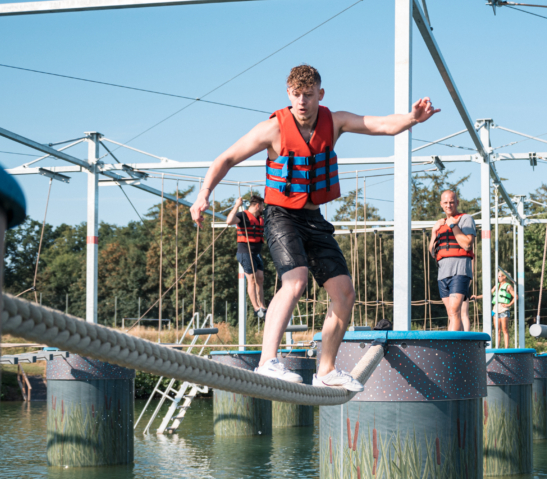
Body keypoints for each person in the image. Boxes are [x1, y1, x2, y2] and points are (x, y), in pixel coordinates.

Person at [190, 64, 439, 390]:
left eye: (309, 95)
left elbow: (380, 125)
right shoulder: (273, 129)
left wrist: (411, 119)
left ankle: (326, 371)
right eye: (296, 95)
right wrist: (203, 195)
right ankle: (268, 361)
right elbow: (224, 159)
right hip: (280, 215)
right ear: (288, 94)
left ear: (320, 94)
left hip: (314, 219)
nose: (303, 102)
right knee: (296, 281)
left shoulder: (334, 121)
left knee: (344, 293)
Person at [428, 190, 476, 331]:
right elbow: (432, 252)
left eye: (451, 202)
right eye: (445, 202)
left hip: (459, 270)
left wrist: (453, 225)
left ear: (457, 202)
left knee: (455, 312)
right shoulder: (439, 224)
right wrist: (433, 232)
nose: (448, 205)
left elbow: (467, 244)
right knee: (451, 314)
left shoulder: (466, 219)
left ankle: (451, 348)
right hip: (443, 273)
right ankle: (460, 348)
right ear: (441, 204)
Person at [226, 193, 267, 321]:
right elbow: (229, 221)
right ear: (258, 206)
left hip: (256, 253)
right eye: (262, 207)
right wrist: (236, 205)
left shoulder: (260, 218)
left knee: (260, 278)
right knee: (252, 280)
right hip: (245, 252)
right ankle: (256, 307)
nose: (263, 209)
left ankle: (262, 305)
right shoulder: (243, 216)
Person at [491, 269, 516, 348]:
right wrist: (476, 297)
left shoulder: (508, 286)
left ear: (504, 276)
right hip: (495, 310)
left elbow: (516, 297)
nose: (498, 278)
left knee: (504, 329)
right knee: (497, 330)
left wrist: (509, 304)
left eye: (499, 276)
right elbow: (488, 293)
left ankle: (506, 348)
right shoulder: (497, 285)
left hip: (503, 310)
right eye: (497, 276)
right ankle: (497, 347)